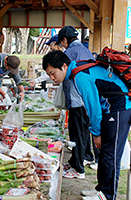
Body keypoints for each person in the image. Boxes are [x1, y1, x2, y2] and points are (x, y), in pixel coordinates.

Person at [42, 50, 131, 200]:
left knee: (111, 153)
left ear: (64, 66)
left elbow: (93, 108)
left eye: (53, 73)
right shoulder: (78, 70)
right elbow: (100, 97)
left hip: (120, 107)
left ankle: (108, 195)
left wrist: (96, 133)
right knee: (104, 152)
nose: (52, 78)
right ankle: (101, 189)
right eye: (49, 75)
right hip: (111, 107)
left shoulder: (80, 77)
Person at [56, 26, 97, 179]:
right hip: (86, 98)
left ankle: (79, 169)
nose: (62, 45)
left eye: (62, 42)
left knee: (77, 134)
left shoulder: (68, 54)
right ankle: (83, 158)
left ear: (65, 40)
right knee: (84, 131)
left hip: (76, 99)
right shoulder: (86, 50)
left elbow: (64, 76)